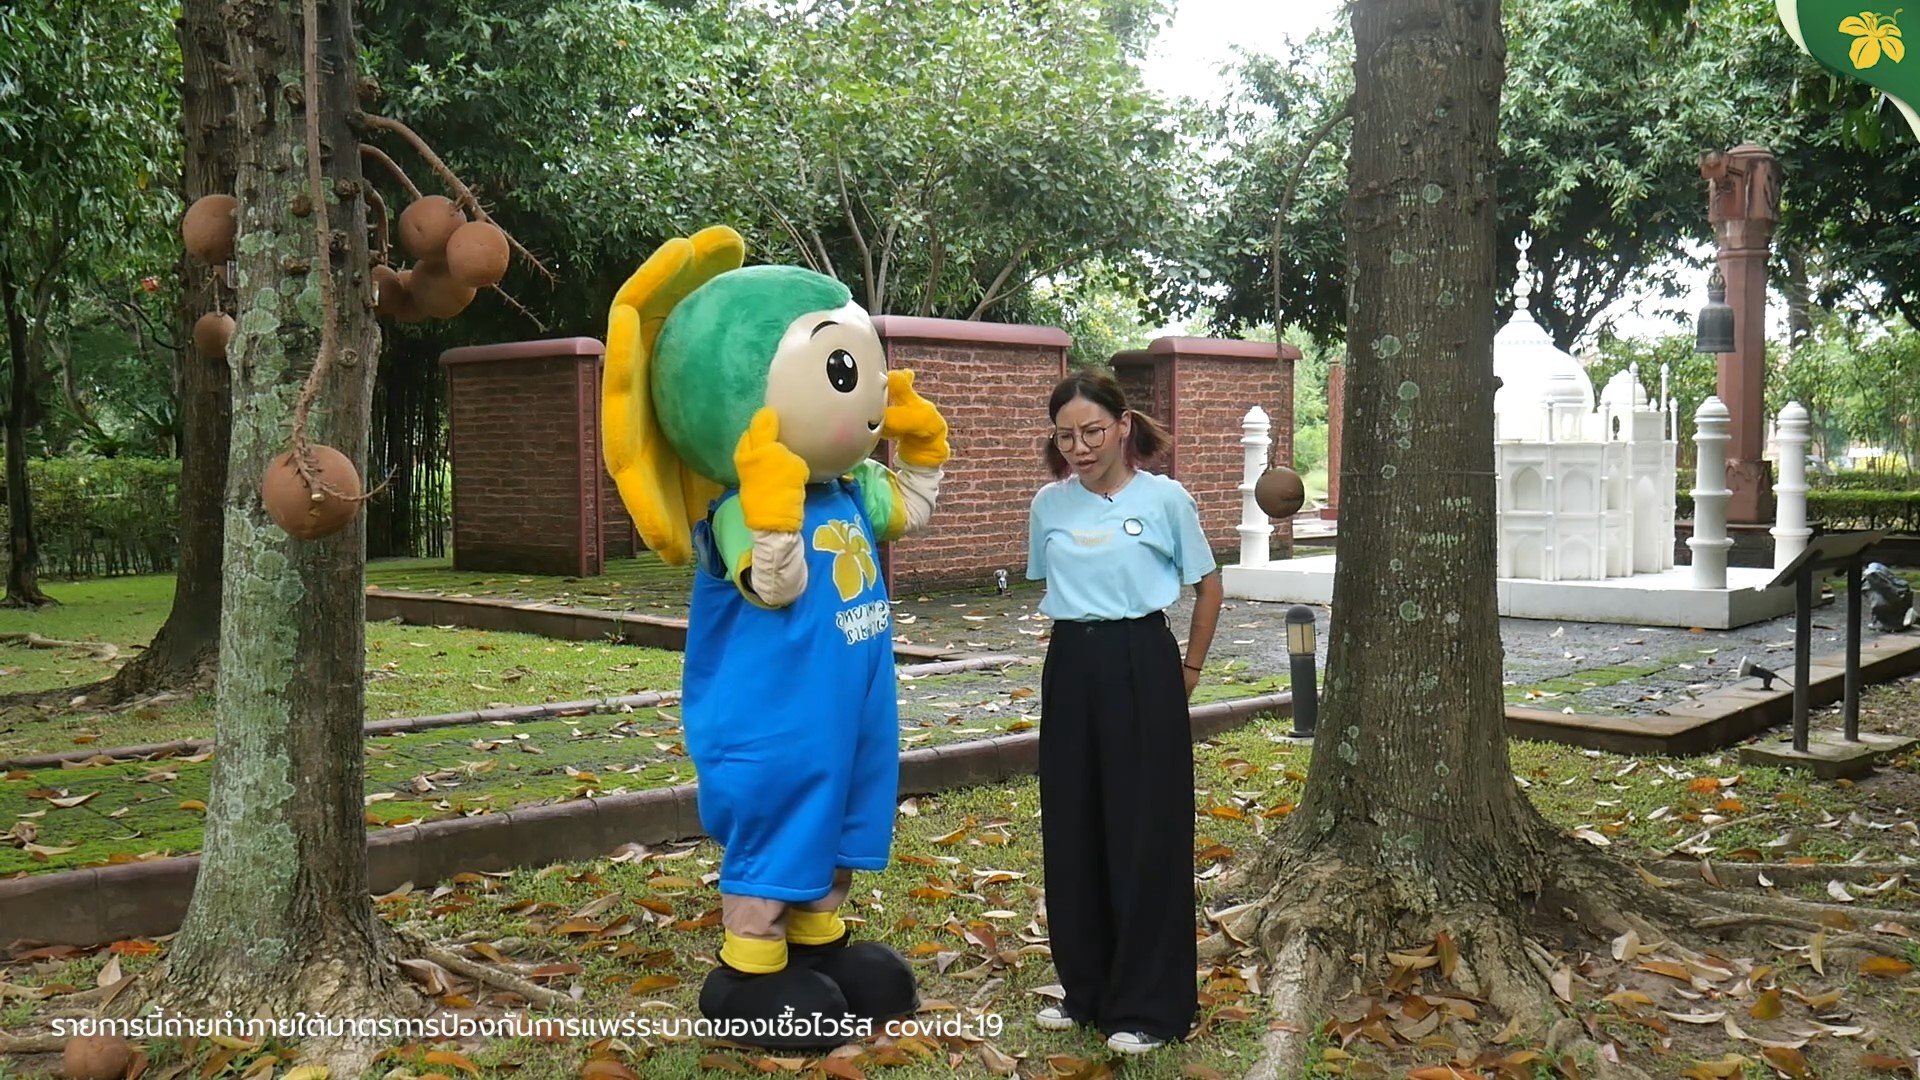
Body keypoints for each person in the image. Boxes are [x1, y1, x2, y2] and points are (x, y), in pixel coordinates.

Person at [1025, 369, 1223, 1054]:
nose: (1079, 446)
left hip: (1143, 659)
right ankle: (1087, 992)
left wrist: (1189, 669)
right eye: (1066, 436)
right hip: (1072, 665)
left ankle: (1150, 1006)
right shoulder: (1049, 505)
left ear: (1124, 425)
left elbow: (1207, 585)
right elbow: (1056, 586)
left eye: (1092, 431)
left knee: (1146, 831)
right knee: (1074, 825)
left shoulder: (1165, 500)